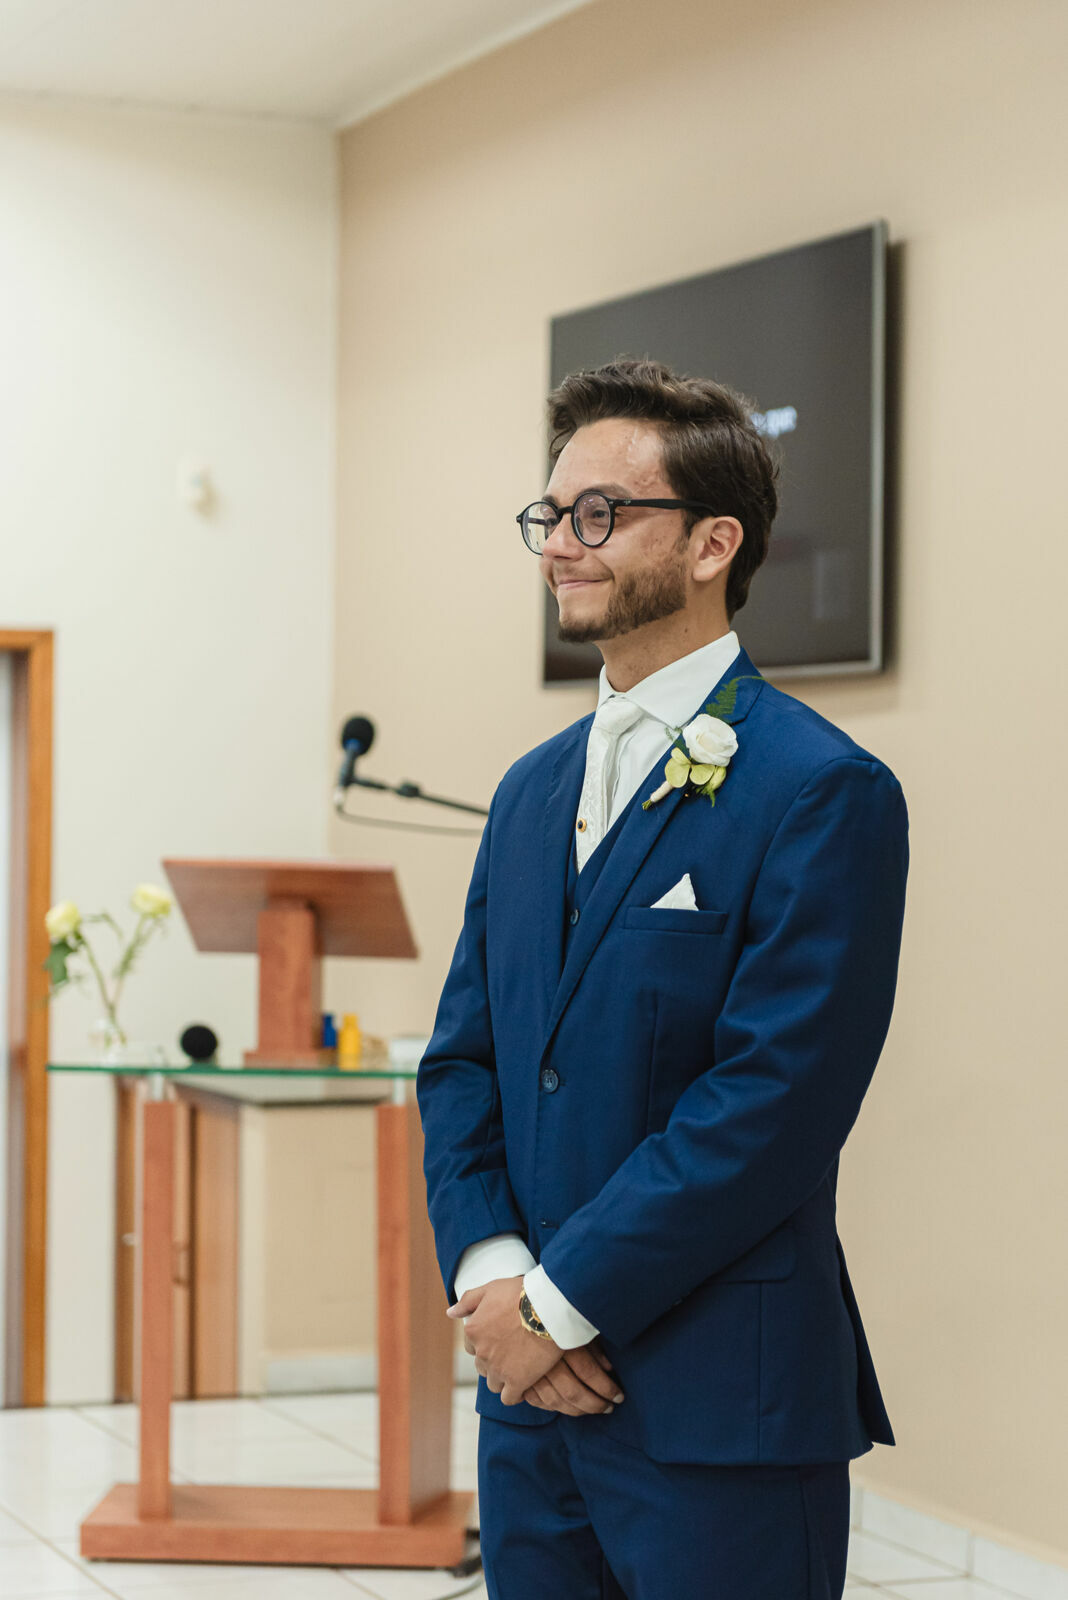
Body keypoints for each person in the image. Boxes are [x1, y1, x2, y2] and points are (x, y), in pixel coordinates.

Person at [416, 357, 909, 1599]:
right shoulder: (530, 790)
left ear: (711, 544)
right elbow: (466, 1060)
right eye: (550, 516)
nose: (561, 546)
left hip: (716, 1408)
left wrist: (558, 1306)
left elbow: (772, 1106)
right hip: (529, 1410)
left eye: (600, 514)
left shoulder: (820, 790)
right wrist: (491, 1282)